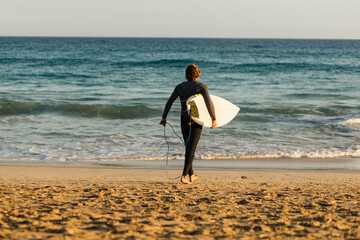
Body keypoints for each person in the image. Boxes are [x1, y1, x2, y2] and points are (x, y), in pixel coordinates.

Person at [160, 64, 217, 184]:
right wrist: (213, 118)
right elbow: (208, 103)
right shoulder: (202, 86)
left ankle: (192, 174)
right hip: (196, 120)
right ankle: (184, 175)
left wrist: (164, 117)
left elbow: (169, 102)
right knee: (192, 148)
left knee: (188, 147)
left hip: (184, 119)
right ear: (198, 74)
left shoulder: (180, 87)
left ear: (186, 74)